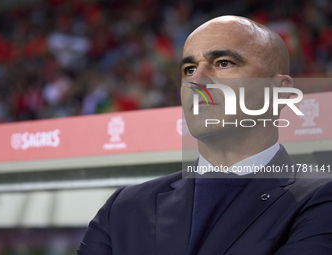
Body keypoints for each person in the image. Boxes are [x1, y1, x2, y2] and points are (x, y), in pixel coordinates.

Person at [78, 16, 332, 255]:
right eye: (189, 69)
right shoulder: (123, 207)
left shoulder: (321, 197)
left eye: (224, 63)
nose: (197, 81)